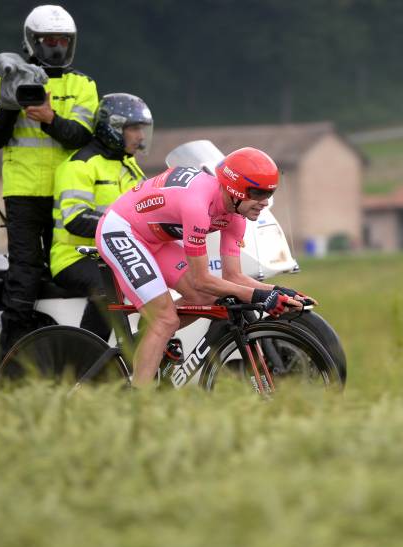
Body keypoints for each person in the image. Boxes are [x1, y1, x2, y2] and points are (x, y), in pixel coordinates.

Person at [97, 147, 315, 388]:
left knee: (206, 297)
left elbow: (234, 277)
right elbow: (202, 278)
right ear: (234, 189)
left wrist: (280, 290)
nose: (264, 203)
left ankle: (149, 338)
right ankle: (138, 404)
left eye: (269, 193)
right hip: (121, 230)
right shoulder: (197, 206)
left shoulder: (236, 216)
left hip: (157, 240)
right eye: (257, 193)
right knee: (166, 320)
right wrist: (263, 296)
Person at [0, 5, 99, 357]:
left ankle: (69, 348)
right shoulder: (2, 81)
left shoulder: (83, 85)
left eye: (63, 40)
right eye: (49, 40)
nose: (57, 47)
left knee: (69, 271)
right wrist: (9, 103)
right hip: (24, 193)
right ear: (32, 41)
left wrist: (49, 117)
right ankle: (10, 357)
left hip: (68, 195)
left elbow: (81, 137)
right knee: (25, 274)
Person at [50, 93, 151, 340]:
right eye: (134, 128)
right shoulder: (79, 165)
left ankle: (146, 350)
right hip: (73, 257)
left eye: (142, 129)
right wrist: (126, 227)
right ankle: (87, 360)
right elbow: (76, 219)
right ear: (113, 128)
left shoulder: (128, 164)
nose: (141, 136)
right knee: (109, 286)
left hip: (115, 252)